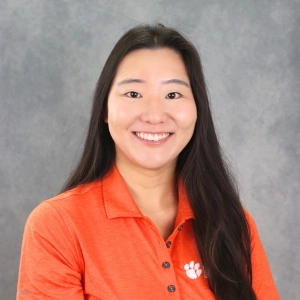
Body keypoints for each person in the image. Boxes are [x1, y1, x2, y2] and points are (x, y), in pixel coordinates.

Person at [17, 24, 280, 300]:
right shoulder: (56, 226)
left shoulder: (233, 224)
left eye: (173, 95)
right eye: (133, 94)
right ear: (104, 110)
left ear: (197, 109)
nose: (154, 116)